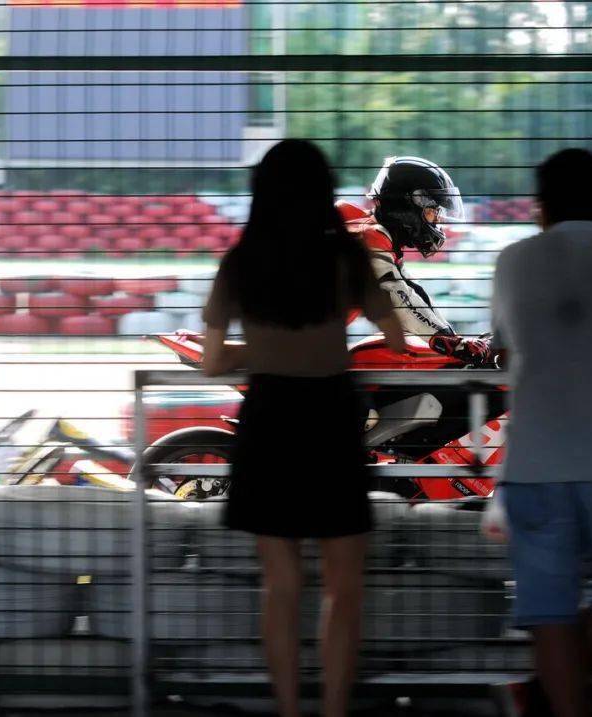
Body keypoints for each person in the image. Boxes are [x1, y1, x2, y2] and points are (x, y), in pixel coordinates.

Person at [200, 139, 406, 717]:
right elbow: (396, 338)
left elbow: (212, 362)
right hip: (330, 419)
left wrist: (263, 348)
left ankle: (289, 709)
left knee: (281, 585)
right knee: (344, 586)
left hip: (268, 418)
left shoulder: (240, 262)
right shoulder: (348, 258)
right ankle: (334, 709)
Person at [490, 148, 592, 717]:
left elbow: (502, 347)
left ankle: (545, 694)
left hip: (534, 463)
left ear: (541, 207)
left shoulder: (513, 261)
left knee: (550, 611)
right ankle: (541, 693)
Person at [336, 155, 492, 365]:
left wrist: (453, 338)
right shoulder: (368, 236)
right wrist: (452, 344)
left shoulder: (370, 232)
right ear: (406, 207)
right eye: (432, 212)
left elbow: (411, 292)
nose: (437, 221)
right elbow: (397, 298)